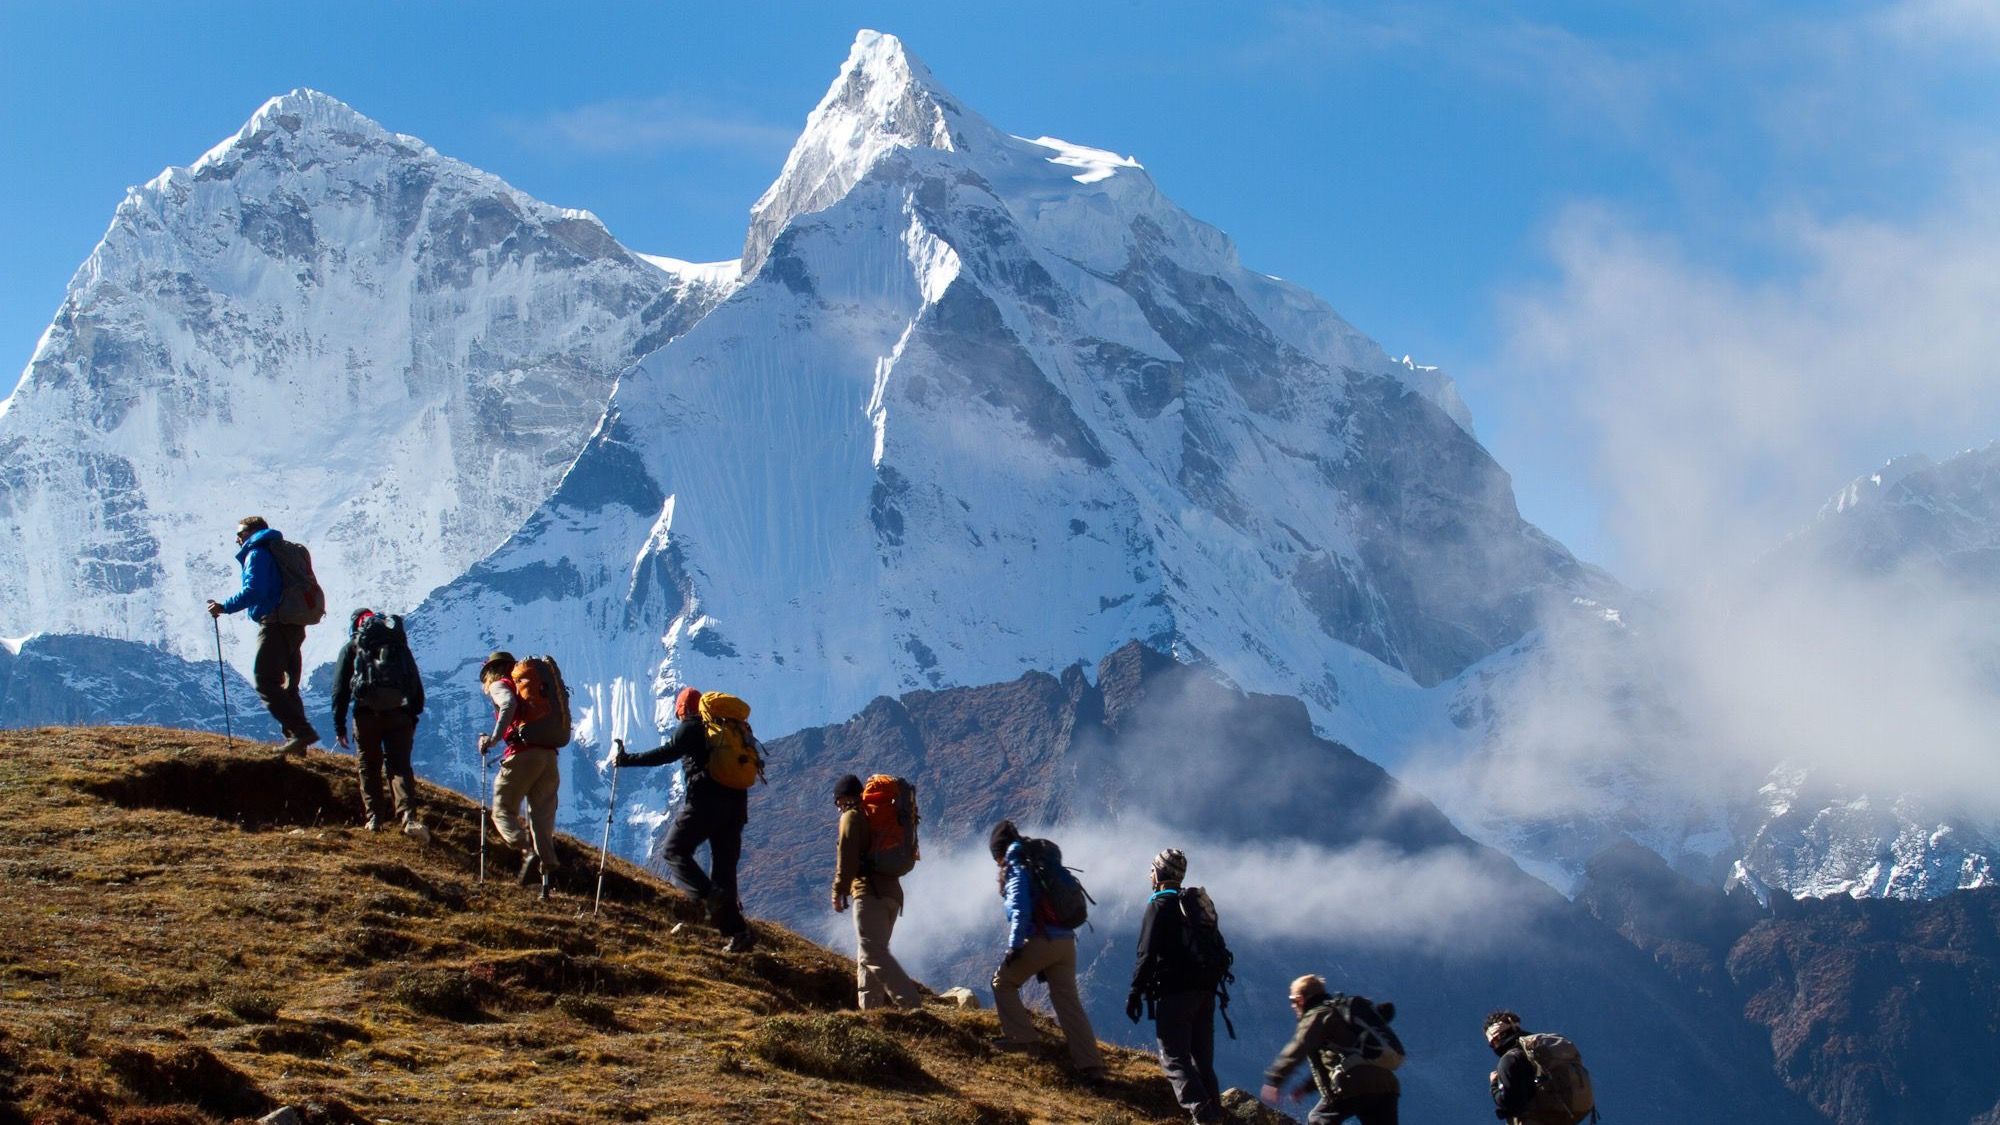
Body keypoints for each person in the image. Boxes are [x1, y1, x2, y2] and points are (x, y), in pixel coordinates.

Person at [615, 686, 756, 952]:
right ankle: (738, 933)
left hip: (705, 802)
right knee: (724, 869)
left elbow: (666, 753)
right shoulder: (728, 729)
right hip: (737, 806)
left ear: (682, 709)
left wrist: (626, 760)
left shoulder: (691, 726)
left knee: (674, 850)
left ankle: (707, 895)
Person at [988, 819, 1105, 1081]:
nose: (997, 863)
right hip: (1066, 942)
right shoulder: (1040, 859)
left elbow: (1020, 908)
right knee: (1068, 1001)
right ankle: (1091, 1064)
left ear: (1000, 851)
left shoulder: (1017, 864)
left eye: (995, 857)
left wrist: (1014, 946)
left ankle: (1022, 1040)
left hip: (1043, 938)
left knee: (1002, 982)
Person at [206, 516, 319, 755]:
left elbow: (254, 590)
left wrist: (224, 607)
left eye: (240, 534)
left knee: (265, 680)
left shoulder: (257, 552)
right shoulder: (280, 550)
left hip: (275, 623)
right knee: (289, 685)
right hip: (294, 623)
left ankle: (301, 733)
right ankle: (298, 745)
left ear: (250, 532)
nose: (237, 539)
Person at [1128, 848, 1225, 1124]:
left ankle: (1203, 1115)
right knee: (1202, 1062)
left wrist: (1135, 992)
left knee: (1174, 1058)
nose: (1150, 874)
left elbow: (1146, 954)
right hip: (1206, 992)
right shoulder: (1193, 907)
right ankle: (1216, 1116)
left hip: (1175, 993)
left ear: (1160, 872)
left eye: (1152, 869)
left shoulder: (1159, 906)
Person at [330, 608, 428, 841]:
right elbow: (415, 683)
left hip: (366, 715)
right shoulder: (398, 646)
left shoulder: (352, 647)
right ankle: (408, 817)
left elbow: (339, 690)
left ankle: (374, 818)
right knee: (399, 766)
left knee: (369, 765)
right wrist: (412, 715)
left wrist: (339, 726)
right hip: (399, 713)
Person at [831, 773, 921, 1009]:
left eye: (838, 802)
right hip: (892, 896)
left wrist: (839, 890)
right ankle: (871, 1011)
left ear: (844, 798)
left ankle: (911, 1004)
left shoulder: (852, 816)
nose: (838, 808)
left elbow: (847, 858)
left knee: (872, 952)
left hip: (870, 895)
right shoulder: (873, 817)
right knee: (867, 954)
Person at [1260, 975, 1401, 1125]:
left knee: (1317, 1119)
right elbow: (1338, 1060)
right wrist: (1306, 1088)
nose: (1292, 1006)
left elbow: (1298, 1047)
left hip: (1352, 1082)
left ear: (1300, 999)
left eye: (1292, 1000)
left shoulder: (1318, 1014)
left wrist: (1275, 1080)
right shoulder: (1342, 1013)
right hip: (1387, 1085)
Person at [476, 651, 559, 895]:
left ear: (491, 672)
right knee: (541, 819)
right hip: (549, 757)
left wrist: (492, 739)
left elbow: (508, 704)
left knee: (502, 810)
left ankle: (526, 851)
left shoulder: (500, 684)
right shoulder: (533, 689)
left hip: (523, 754)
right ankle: (545, 879)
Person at [1485, 1010, 1597, 1124]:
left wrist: (1494, 1084)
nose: (1494, 1046)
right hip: (1568, 1111)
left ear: (1499, 1036)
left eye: (1493, 1042)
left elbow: (1507, 1101)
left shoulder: (1510, 1058)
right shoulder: (1539, 1051)